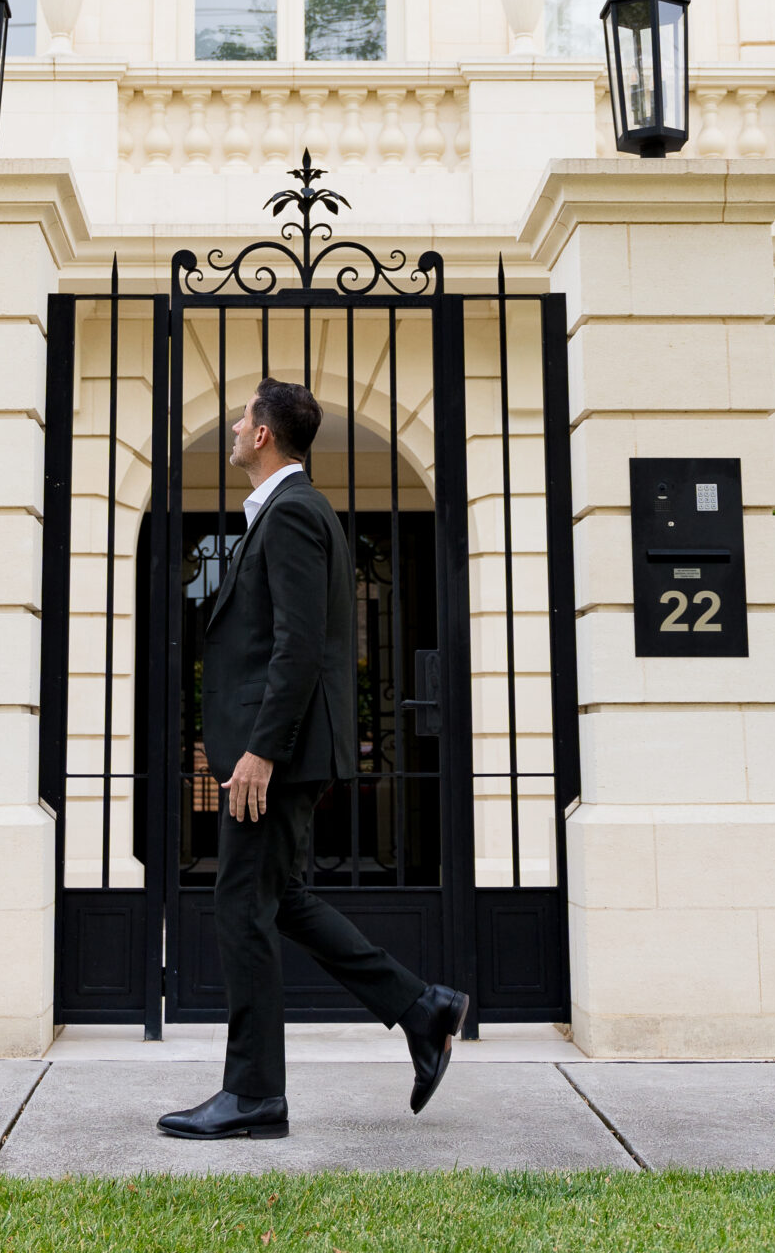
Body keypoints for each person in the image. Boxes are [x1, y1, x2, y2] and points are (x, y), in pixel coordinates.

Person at [158, 375, 468, 1142]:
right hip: (281, 753)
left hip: (277, 757)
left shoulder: (293, 513)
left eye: (241, 419)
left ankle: (256, 1094)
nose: (233, 427)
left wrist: (261, 749)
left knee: (241, 908)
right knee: (279, 899)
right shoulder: (287, 512)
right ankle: (421, 1006)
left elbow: (299, 646)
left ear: (263, 434)